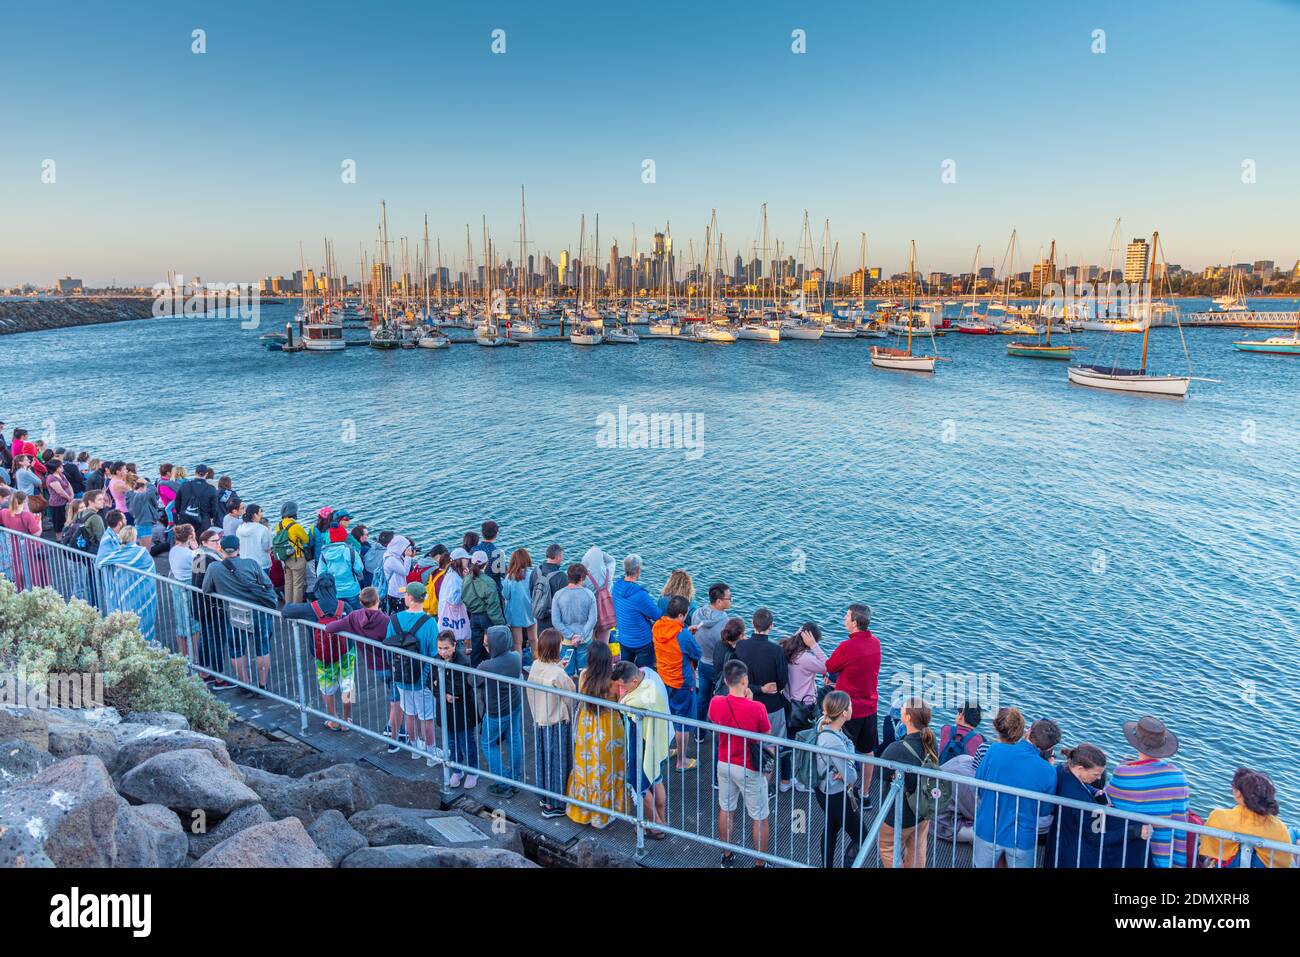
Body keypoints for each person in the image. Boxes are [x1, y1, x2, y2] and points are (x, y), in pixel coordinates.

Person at [972, 707, 1058, 868]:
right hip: (1021, 837)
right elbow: (1044, 811)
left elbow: (979, 785)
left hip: (988, 828)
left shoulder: (995, 750)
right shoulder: (1048, 771)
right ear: (1049, 748)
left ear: (1028, 731)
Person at [1104, 715, 1191, 868]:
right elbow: (1181, 816)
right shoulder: (1178, 777)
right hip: (1164, 852)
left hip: (1132, 851)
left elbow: (1110, 806)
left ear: (1136, 743)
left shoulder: (1123, 772)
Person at [708, 658, 771, 867]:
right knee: (759, 816)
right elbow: (766, 734)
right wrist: (751, 701)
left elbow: (713, 719)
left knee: (726, 810)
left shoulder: (716, 702)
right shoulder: (758, 708)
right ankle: (760, 863)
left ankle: (727, 855)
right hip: (748, 766)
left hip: (724, 763)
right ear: (745, 681)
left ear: (726, 681)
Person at [326, 586, 400, 751]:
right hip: (390, 665)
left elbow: (330, 628)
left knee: (395, 698)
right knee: (396, 700)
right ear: (378, 601)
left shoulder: (354, 617)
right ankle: (393, 735)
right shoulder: (385, 620)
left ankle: (394, 728)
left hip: (373, 666)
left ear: (361, 602)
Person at [201, 534, 278, 693]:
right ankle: (262, 685)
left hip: (235, 612)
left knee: (236, 649)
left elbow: (206, 589)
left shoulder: (214, 568)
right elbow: (268, 584)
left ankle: (245, 684)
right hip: (259, 611)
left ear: (221, 549)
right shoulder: (251, 563)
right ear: (239, 549)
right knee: (262, 647)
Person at [566, 641, 629, 828]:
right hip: (609, 727)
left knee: (587, 767)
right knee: (608, 769)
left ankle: (584, 810)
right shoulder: (614, 681)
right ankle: (605, 812)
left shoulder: (584, 675)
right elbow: (622, 702)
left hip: (587, 727)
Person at [283, 573, 356, 732]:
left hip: (323, 656)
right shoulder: (344, 606)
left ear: (317, 588)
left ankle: (333, 719)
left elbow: (286, 611)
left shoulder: (311, 608)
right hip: (345, 653)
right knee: (347, 686)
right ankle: (346, 720)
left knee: (327, 688)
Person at [1042, 743, 1133, 868]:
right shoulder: (1083, 803)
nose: (1099, 778)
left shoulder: (1062, 769)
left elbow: (1080, 786)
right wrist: (1133, 832)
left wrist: (1094, 791)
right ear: (1080, 768)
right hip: (1073, 855)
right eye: (1096, 774)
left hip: (1057, 842)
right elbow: (1096, 838)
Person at [825, 603, 881, 797]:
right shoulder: (876, 642)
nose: (844, 619)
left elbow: (830, 666)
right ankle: (865, 793)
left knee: (844, 750)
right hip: (870, 706)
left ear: (855, 622)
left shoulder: (847, 646)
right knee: (867, 752)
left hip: (849, 710)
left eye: (847, 616)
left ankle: (845, 790)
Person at [383, 581, 442, 765]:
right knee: (427, 718)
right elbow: (434, 653)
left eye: (406, 595)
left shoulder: (394, 619)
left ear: (410, 598)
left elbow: (387, 647)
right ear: (424, 598)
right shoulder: (430, 623)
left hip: (401, 676)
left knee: (409, 713)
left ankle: (415, 748)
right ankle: (432, 754)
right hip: (422, 679)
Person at [613, 659, 672, 838]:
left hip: (643, 746)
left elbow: (621, 705)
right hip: (658, 742)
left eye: (623, 686)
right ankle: (662, 821)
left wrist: (623, 697)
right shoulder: (651, 678)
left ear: (634, 682)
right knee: (657, 780)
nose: (622, 690)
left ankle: (656, 826)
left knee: (639, 786)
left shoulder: (637, 699)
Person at [878, 697, 939, 868]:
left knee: (887, 848)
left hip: (900, 813)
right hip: (923, 809)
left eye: (903, 709)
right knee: (918, 849)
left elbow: (879, 773)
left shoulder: (896, 749)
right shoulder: (932, 741)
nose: (901, 711)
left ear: (908, 718)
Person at [733, 607, 789, 785]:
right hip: (771, 706)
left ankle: (746, 778)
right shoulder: (776, 651)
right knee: (771, 745)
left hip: (747, 701)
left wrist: (757, 688)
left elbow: (737, 676)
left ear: (752, 624)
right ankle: (765, 784)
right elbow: (782, 681)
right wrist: (767, 689)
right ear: (771, 627)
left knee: (746, 742)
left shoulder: (741, 646)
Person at [524, 628, 575, 817]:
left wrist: (558, 667)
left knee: (543, 760)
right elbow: (571, 694)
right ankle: (555, 804)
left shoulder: (536, 665)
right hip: (557, 722)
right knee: (558, 763)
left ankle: (544, 797)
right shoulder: (558, 674)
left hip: (540, 719)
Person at [1198, 768, 1293, 868]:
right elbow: (1284, 862)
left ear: (1238, 793)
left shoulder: (1219, 816)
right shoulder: (1280, 827)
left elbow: (1208, 849)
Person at [651, 594, 702, 770]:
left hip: (663, 678)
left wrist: (685, 632)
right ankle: (682, 760)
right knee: (683, 722)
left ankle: (666, 749)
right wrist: (688, 635)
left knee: (668, 715)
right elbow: (697, 654)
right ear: (681, 615)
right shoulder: (683, 636)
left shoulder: (657, 626)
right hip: (681, 682)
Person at [814, 690, 863, 867]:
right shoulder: (833, 741)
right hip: (835, 794)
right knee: (862, 836)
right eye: (850, 705)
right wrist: (849, 763)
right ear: (843, 712)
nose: (852, 708)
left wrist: (847, 758)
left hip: (824, 790)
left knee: (832, 827)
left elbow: (848, 745)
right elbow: (852, 777)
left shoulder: (824, 723)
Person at [477, 624, 523, 795]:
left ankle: (503, 783)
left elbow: (472, 681)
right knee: (514, 740)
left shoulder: (486, 666)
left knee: (488, 744)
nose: (486, 648)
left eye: (487, 645)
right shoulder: (516, 658)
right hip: (515, 704)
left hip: (496, 711)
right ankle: (515, 779)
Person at [431, 629, 479, 789]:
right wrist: (443, 692)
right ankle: (457, 770)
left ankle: (473, 771)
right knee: (451, 743)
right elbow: (430, 682)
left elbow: (459, 687)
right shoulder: (435, 659)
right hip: (446, 711)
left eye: (445, 648)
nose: (442, 652)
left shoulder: (463, 662)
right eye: (439, 648)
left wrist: (441, 687)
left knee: (467, 742)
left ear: (454, 646)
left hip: (463, 710)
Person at [611, 553, 661, 667]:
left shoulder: (616, 587)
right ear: (638, 570)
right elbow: (658, 615)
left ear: (625, 569)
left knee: (625, 672)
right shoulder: (640, 595)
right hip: (642, 641)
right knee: (643, 674)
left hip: (624, 639)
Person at [690, 582, 731, 720]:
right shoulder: (725, 622)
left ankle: (698, 732)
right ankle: (718, 733)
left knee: (702, 698)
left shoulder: (696, 614)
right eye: (729, 598)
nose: (731, 601)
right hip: (718, 666)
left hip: (702, 661)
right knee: (720, 699)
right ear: (719, 601)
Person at [782, 622, 828, 741]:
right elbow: (828, 666)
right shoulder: (805, 658)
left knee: (789, 734)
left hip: (787, 699)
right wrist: (814, 646)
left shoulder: (786, 648)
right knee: (803, 737)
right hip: (803, 704)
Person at [552, 562, 597, 677]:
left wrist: (571, 636)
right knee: (585, 675)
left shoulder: (558, 595)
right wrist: (580, 636)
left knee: (566, 674)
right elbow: (592, 620)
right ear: (582, 578)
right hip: (585, 641)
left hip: (567, 641)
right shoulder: (589, 594)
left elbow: (556, 621)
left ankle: (568, 694)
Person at [462, 549, 506, 665]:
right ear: (486, 564)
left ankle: (475, 672)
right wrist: (501, 624)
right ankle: (492, 670)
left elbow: (464, 598)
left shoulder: (466, 579)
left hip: (474, 616)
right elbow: (493, 607)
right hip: (486, 617)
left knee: (476, 646)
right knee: (492, 647)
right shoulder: (489, 582)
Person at [167, 524, 200, 662]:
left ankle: (183, 654)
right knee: (194, 624)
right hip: (189, 587)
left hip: (177, 588)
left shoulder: (173, 550)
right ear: (191, 536)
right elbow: (201, 569)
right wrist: (197, 549)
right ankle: (195, 656)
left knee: (181, 623)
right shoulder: (190, 554)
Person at [317, 526, 364, 611]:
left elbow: (320, 573)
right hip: (352, 590)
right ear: (344, 536)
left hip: (334, 592)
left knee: (340, 613)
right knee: (357, 613)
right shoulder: (350, 551)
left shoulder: (324, 554)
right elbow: (359, 568)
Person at [501, 548, 538, 655]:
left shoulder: (510, 577)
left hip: (515, 613)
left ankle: (518, 669)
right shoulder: (533, 574)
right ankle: (536, 664)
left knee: (517, 643)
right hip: (530, 611)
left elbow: (506, 595)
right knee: (534, 639)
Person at [272, 502, 310, 605]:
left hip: (285, 559)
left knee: (288, 583)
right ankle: (296, 608)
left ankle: (288, 605)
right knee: (298, 585)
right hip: (297, 558)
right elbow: (306, 540)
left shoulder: (278, 525)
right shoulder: (295, 526)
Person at [580, 545, 617, 644]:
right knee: (603, 644)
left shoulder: (584, 578)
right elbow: (612, 560)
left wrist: (588, 555)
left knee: (589, 643)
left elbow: (580, 566)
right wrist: (600, 552)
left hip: (590, 615)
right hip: (605, 613)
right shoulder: (608, 572)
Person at [532, 544, 566, 634]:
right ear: (558, 557)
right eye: (562, 556)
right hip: (553, 620)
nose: (562, 559)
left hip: (537, 617)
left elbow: (531, 590)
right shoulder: (561, 576)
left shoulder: (535, 571)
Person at [174, 465, 219, 532]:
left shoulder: (185, 485)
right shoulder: (211, 489)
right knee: (202, 541)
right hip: (203, 522)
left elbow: (177, 502)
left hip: (185, 519)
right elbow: (214, 509)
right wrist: (211, 517)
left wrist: (179, 513)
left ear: (195, 473)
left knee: (185, 540)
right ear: (206, 474)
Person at [125, 476, 162, 550]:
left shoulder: (130, 495)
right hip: (145, 525)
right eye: (146, 488)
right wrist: (147, 483)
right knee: (146, 551)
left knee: (143, 549)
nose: (146, 490)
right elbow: (153, 491)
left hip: (139, 523)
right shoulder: (140, 497)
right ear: (141, 488)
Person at [236, 502, 272, 571]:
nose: (262, 514)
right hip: (261, 564)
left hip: (244, 563)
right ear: (255, 515)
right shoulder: (262, 529)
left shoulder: (239, 528)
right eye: (261, 511)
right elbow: (267, 548)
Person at [43, 460, 74, 534]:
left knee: (67, 518)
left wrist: (72, 494)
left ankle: (66, 535)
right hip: (57, 503)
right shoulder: (51, 478)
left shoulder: (61, 475)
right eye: (60, 466)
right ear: (56, 468)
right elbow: (60, 491)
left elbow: (68, 484)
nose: (62, 467)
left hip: (66, 501)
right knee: (59, 522)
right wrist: (69, 498)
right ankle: (59, 538)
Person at [478, 519, 504, 589]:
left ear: (482, 533)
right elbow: (504, 574)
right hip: (494, 589)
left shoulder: (473, 550)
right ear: (496, 535)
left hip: (477, 588)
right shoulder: (497, 553)